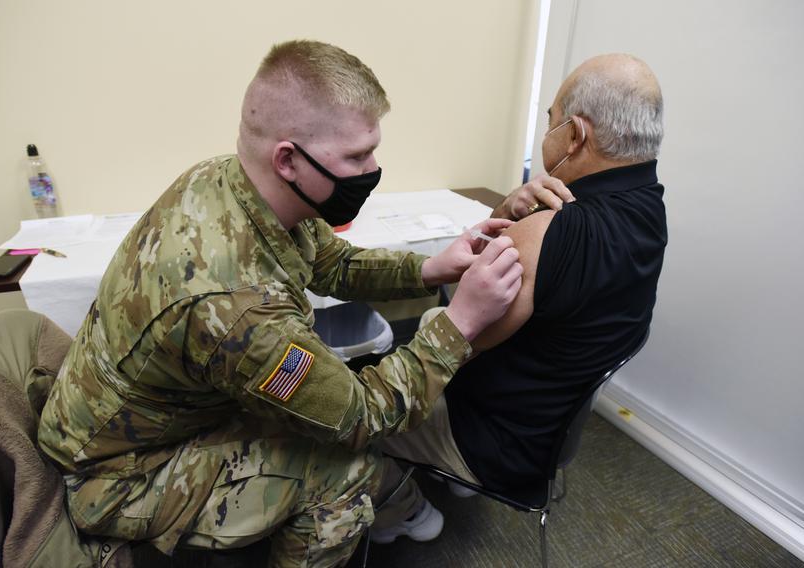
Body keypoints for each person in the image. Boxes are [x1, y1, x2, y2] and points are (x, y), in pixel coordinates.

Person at [37, 40, 524, 567]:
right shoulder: (234, 308)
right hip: (120, 474)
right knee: (348, 466)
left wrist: (429, 268)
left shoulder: (227, 181)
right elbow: (364, 415)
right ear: (289, 159)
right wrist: (460, 322)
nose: (373, 167)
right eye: (358, 156)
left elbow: (330, 262)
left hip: (155, 413)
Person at [371, 53, 668, 543]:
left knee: (342, 415)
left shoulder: (549, 232)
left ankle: (404, 509)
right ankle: (451, 481)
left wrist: (524, 230)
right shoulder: (650, 210)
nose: (546, 130)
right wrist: (510, 211)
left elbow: (459, 345)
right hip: (548, 424)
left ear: (574, 136)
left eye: (550, 120)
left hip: (496, 442)